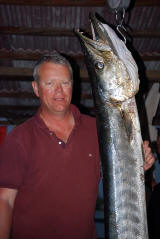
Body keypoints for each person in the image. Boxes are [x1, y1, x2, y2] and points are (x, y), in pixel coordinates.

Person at [0, 53, 155, 239]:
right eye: (49, 83)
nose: (59, 91)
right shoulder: (19, 138)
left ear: (73, 86)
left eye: (65, 83)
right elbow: (4, 201)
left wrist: (139, 162)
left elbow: (121, 172)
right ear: (36, 88)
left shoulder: (98, 130)